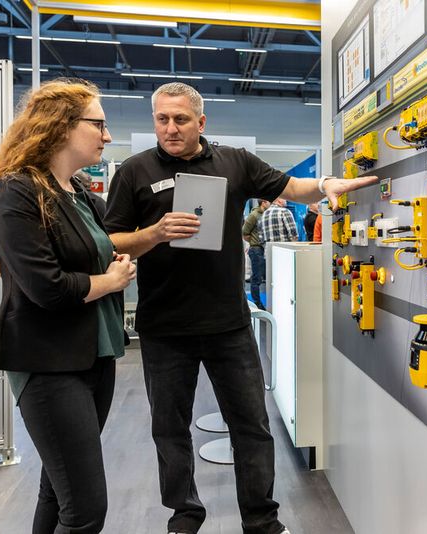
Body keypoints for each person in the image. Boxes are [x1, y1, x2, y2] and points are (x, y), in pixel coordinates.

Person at [103, 82, 376, 534]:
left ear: (201, 122)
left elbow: (292, 187)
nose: (170, 129)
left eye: (181, 119)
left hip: (228, 324)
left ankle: (262, 521)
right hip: (164, 327)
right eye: (162, 119)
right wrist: (154, 233)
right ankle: (185, 516)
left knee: (251, 426)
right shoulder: (134, 171)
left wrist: (327, 183)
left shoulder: (235, 162)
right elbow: (111, 240)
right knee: (170, 431)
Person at [0, 79, 136, 533]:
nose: (107, 136)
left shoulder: (77, 194)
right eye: (99, 125)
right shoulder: (15, 191)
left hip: (94, 355)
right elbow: (45, 287)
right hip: (48, 364)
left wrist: (111, 261)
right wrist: (108, 279)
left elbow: (89, 252)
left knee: (59, 490)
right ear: (60, 127)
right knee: (86, 508)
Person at [242, 200, 269, 310]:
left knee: (261, 277)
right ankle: (257, 304)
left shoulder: (266, 214)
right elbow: (245, 232)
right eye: (269, 201)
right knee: (256, 278)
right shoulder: (254, 215)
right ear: (263, 202)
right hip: (256, 249)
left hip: (263, 248)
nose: (271, 203)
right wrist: (254, 242)